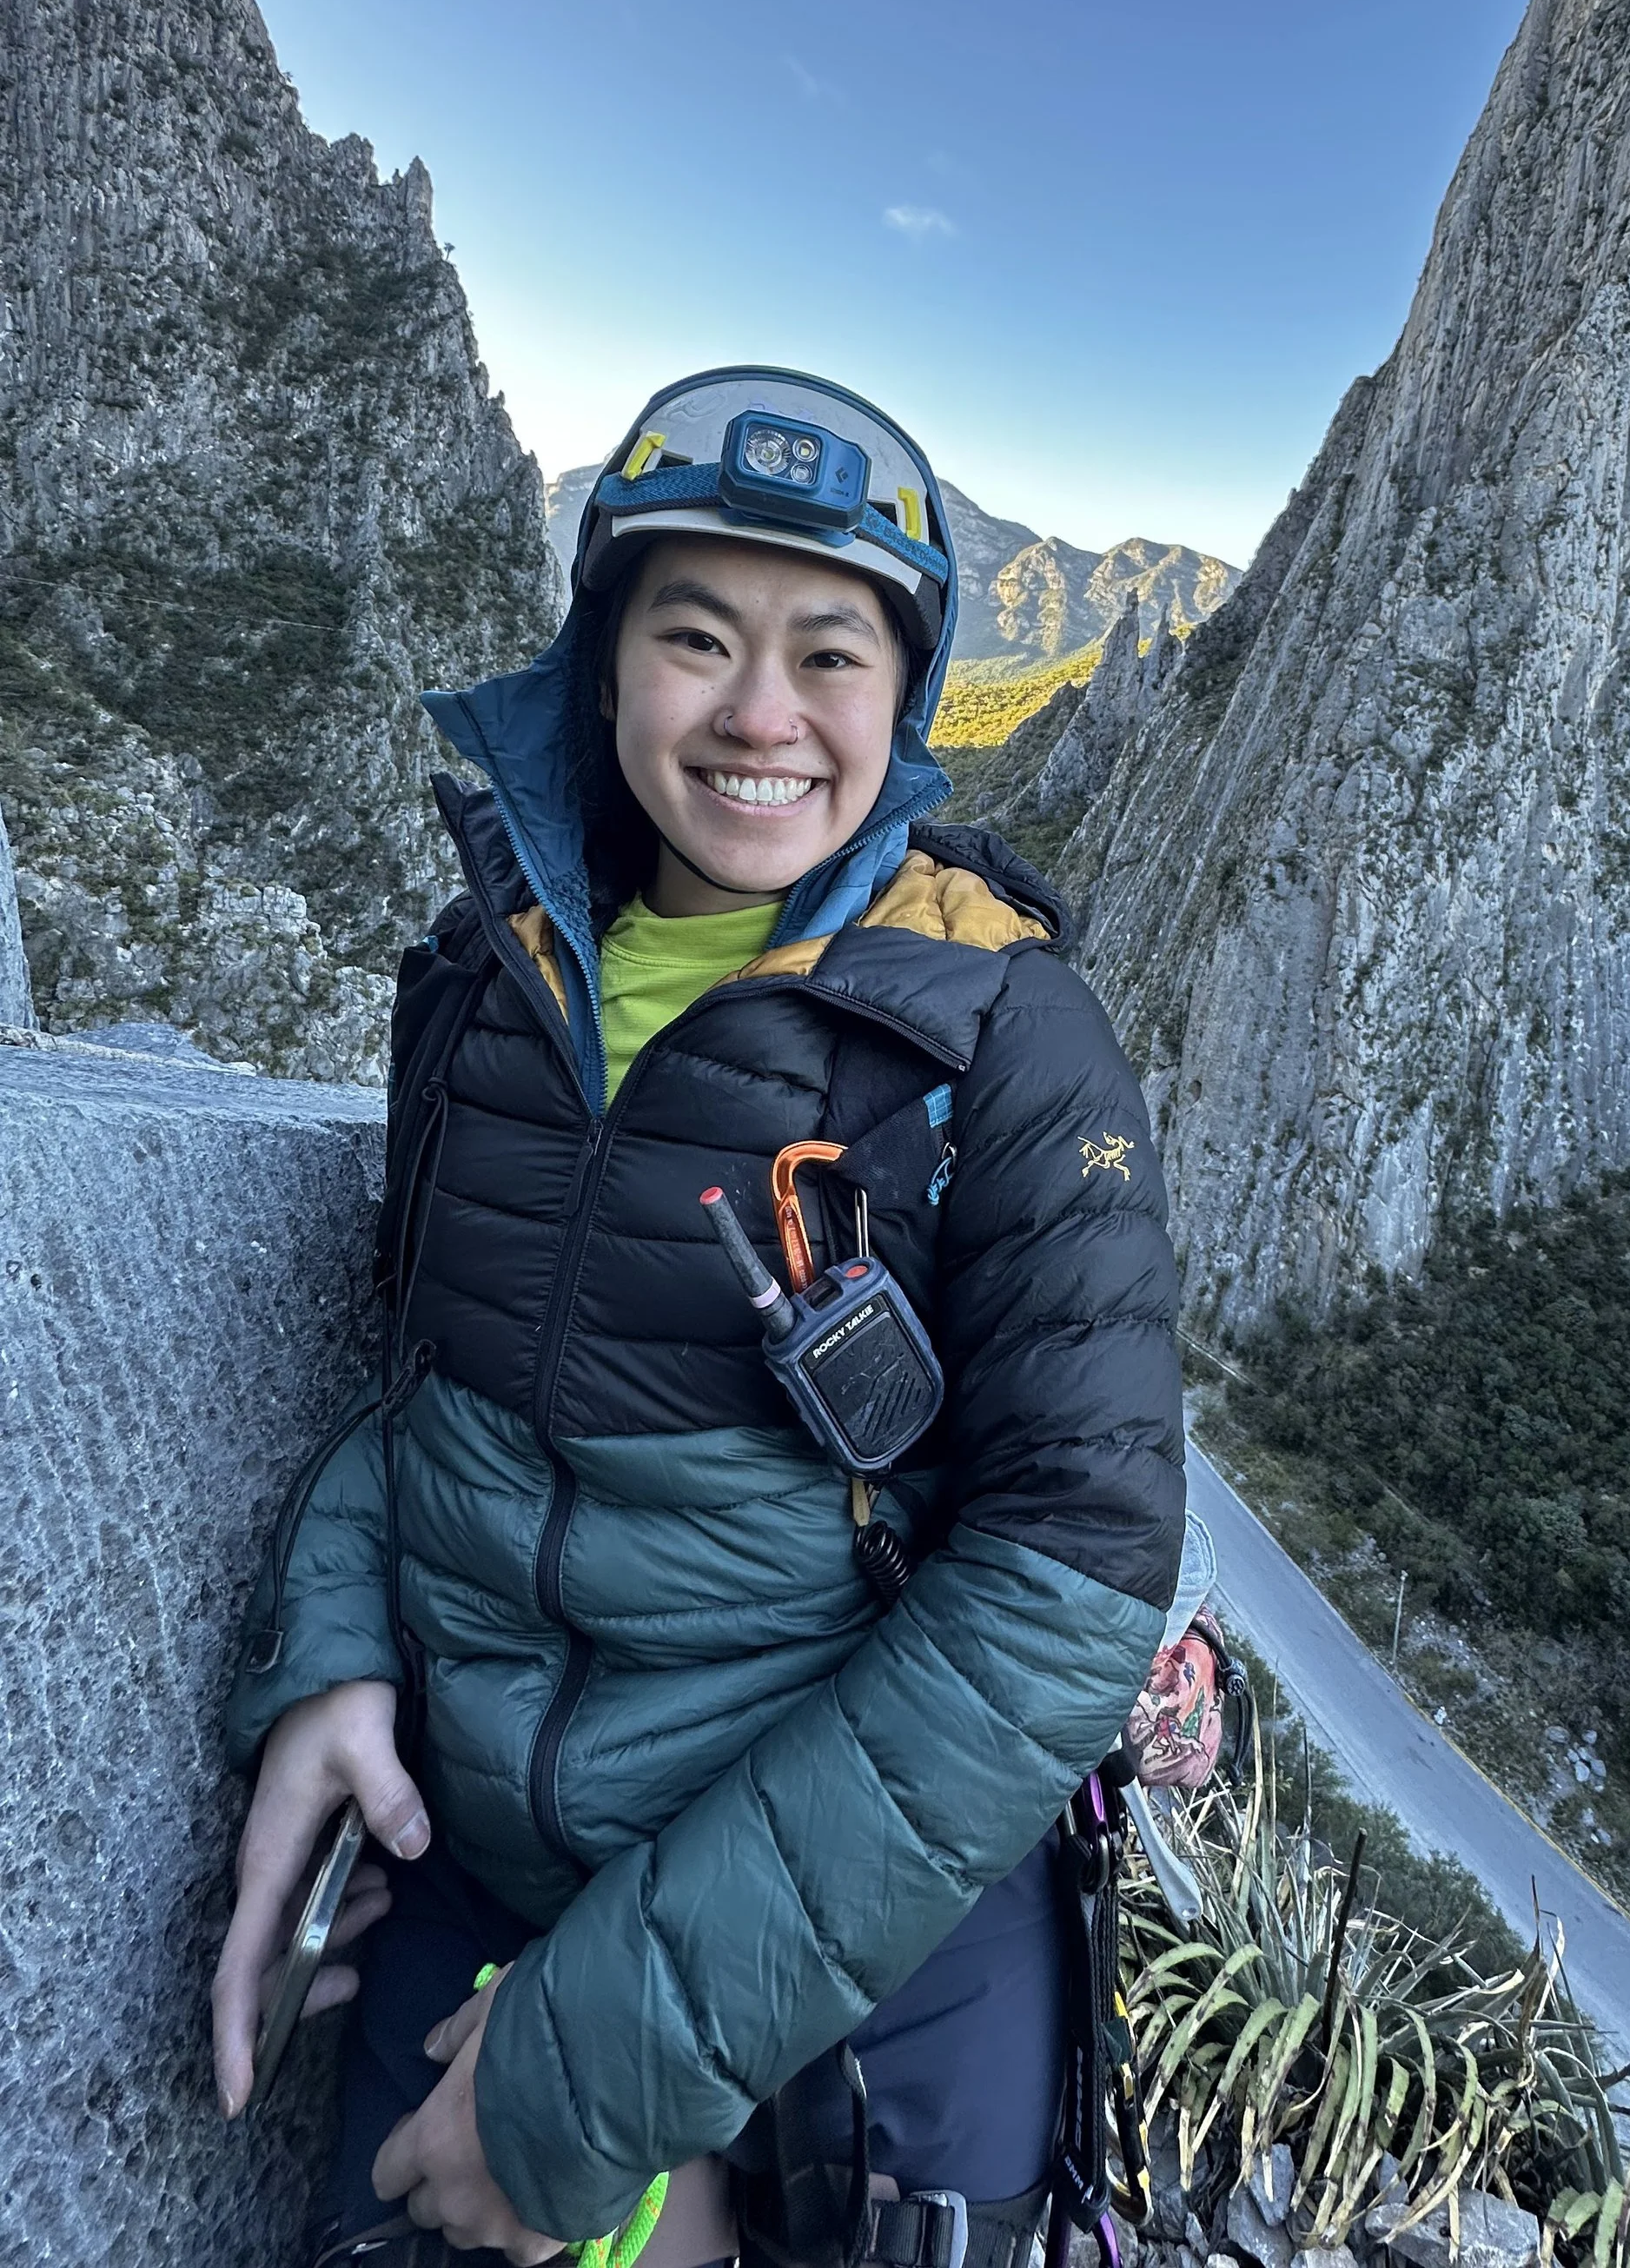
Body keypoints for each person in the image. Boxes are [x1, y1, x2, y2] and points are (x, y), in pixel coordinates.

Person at [209, 368, 1188, 2268]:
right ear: (601, 663)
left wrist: (600, 2067)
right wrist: (330, 1656)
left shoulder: (999, 1038)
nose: (759, 714)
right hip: (481, 1862)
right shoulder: (484, 985)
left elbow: (1066, 1589)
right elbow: (424, 1390)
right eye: (693, 636)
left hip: (851, 1960)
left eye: (829, 652)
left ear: (901, 704)